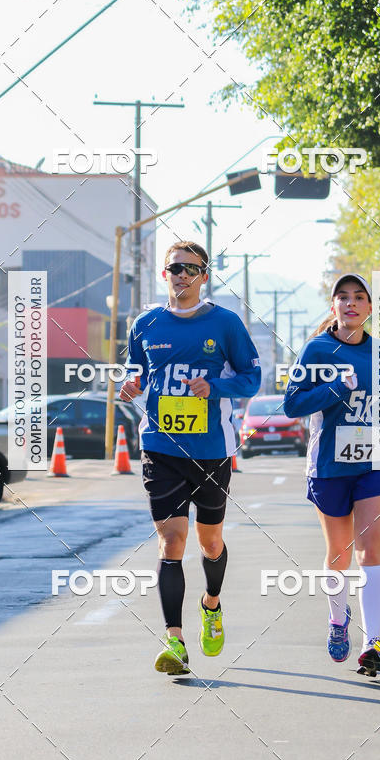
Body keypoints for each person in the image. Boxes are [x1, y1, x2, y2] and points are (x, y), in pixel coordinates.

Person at [120, 241, 261, 675]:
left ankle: (212, 604)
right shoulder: (145, 324)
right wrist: (131, 383)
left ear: (204, 276)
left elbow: (252, 377)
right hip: (160, 446)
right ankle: (175, 641)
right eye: (174, 268)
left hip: (211, 451)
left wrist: (215, 388)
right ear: (164, 274)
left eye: (190, 268)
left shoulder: (225, 323)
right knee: (171, 542)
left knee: (210, 542)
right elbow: (134, 367)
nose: (181, 275)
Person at [284, 273, 380, 678]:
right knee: (340, 555)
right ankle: (337, 620)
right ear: (333, 306)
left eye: (359, 298)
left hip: (374, 463)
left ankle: (373, 643)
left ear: (369, 308)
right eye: (343, 297)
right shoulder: (316, 349)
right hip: (330, 465)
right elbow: (291, 404)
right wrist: (335, 389)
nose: (351, 303)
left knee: (371, 550)